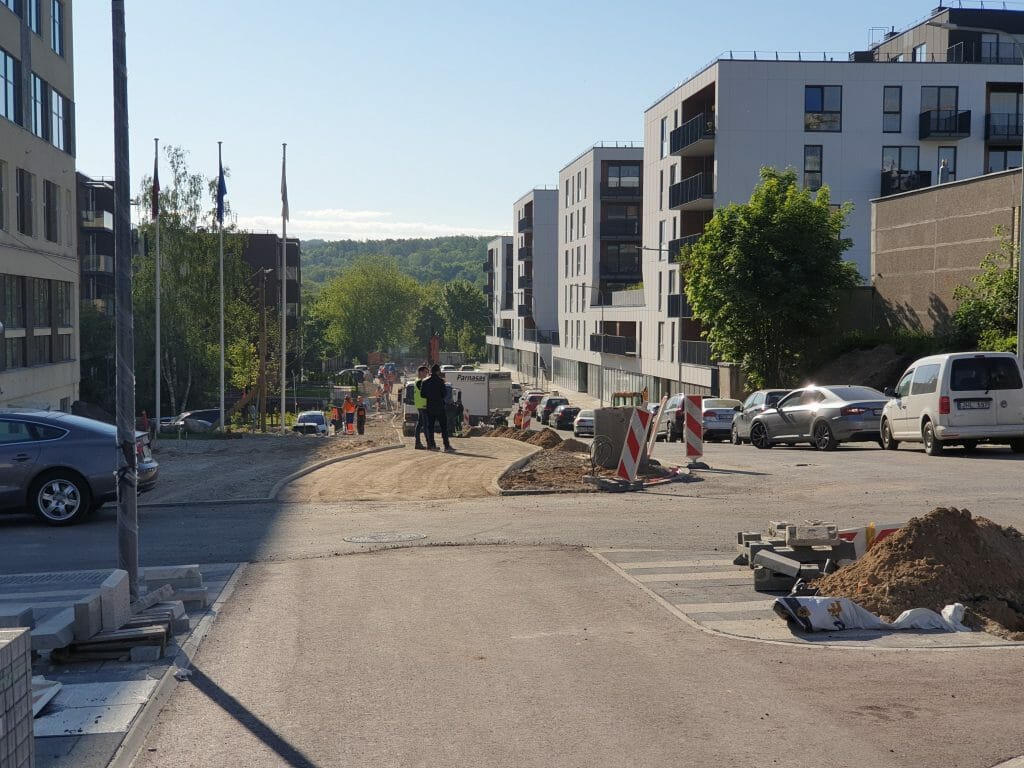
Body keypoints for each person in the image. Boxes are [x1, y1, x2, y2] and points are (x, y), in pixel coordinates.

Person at [419, 364, 454, 452]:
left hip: (430, 406)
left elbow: (422, 395)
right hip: (440, 406)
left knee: (430, 427)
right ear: (438, 371)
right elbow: (444, 394)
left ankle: (432, 445)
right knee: (443, 427)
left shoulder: (425, 381)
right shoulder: (440, 381)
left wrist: (430, 396)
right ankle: (446, 446)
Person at [413, 365, 429, 449]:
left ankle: (418, 443)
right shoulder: (420, 382)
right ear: (421, 372)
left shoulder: (417, 381)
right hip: (423, 406)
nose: (427, 374)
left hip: (420, 406)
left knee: (420, 424)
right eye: (425, 372)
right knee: (426, 425)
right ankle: (429, 444)